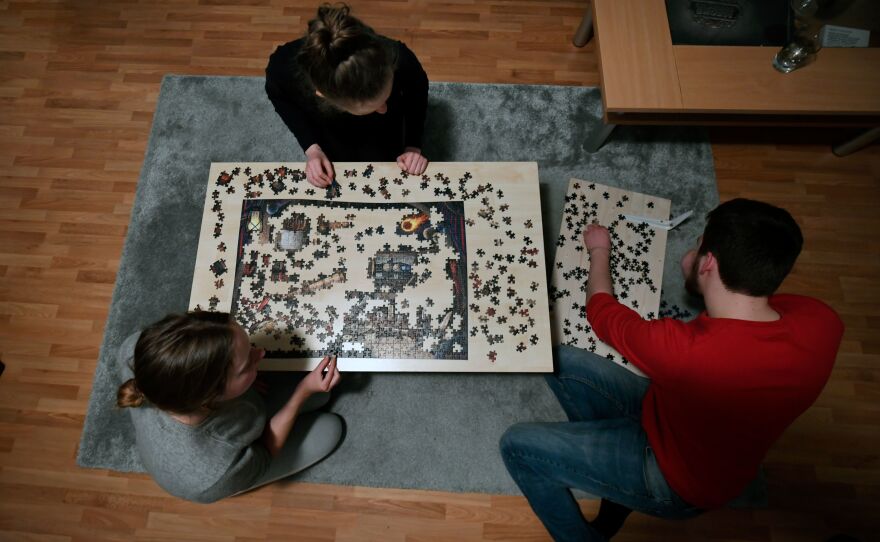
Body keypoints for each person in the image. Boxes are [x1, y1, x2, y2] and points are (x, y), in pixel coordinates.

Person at [500, 198, 844, 541]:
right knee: (557, 360)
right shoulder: (823, 323)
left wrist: (599, 250)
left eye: (699, 243)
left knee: (517, 446)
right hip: (676, 416)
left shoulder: (681, 351)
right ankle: (612, 485)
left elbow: (601, 311)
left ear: (708, 262)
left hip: (675, 481)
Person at [116, 311, 343, 503]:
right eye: (246, 365)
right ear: (211, 395)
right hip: (233, 467)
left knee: (323, 395)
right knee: (330, 429)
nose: (261, 353)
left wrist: (246, 378)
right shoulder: (213, 473)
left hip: (232, 411)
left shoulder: (134, 348)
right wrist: (302, 392)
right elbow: (264, 453)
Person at [265, 3, 430, 188]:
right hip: (331, 129)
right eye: (373, 107)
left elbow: (418, 94)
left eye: (386, 95)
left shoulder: (401, 58)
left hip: (386, 133)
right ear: (323, 97)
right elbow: (280, 99)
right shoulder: (282, 68)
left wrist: (413, 146)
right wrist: (312, 148)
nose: (384, 109)